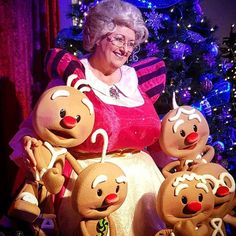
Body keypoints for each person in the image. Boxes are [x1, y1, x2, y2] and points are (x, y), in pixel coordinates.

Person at [9, 0, 166, 235]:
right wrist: (31, 142)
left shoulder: (134, 80)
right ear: (99, 36)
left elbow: (154, 134)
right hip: (92, 184)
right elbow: (39, 124)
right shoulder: (73, 77)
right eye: (119, 39)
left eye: (131, 43)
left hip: (145, 183)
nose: (125, 49)